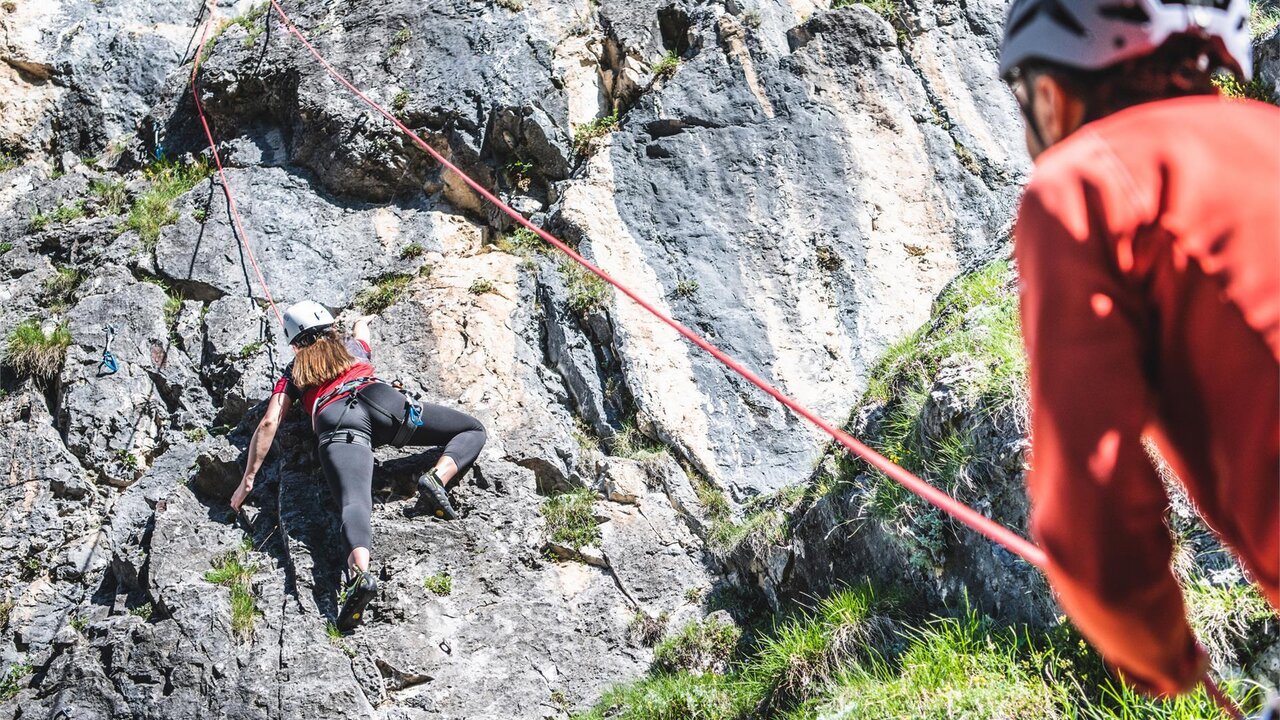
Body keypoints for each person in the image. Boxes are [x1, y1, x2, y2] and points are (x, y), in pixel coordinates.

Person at [999, 0, 1279, 701]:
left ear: (1051, 93)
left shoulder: (1082, 184)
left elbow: (1092, 499)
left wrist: (1164, 656)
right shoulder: (1268, 132)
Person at [230, 301, 487, 630]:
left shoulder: (293, 372)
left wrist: (248, 479)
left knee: (354, 501)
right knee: (471, 429)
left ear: (294, 343)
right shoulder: (351, 346)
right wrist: (364, 319)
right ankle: (437, 478)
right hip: (380, 400)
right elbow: (361, 332)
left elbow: (269, 423)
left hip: (335, 419)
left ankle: (360, 575)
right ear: (329, 326)